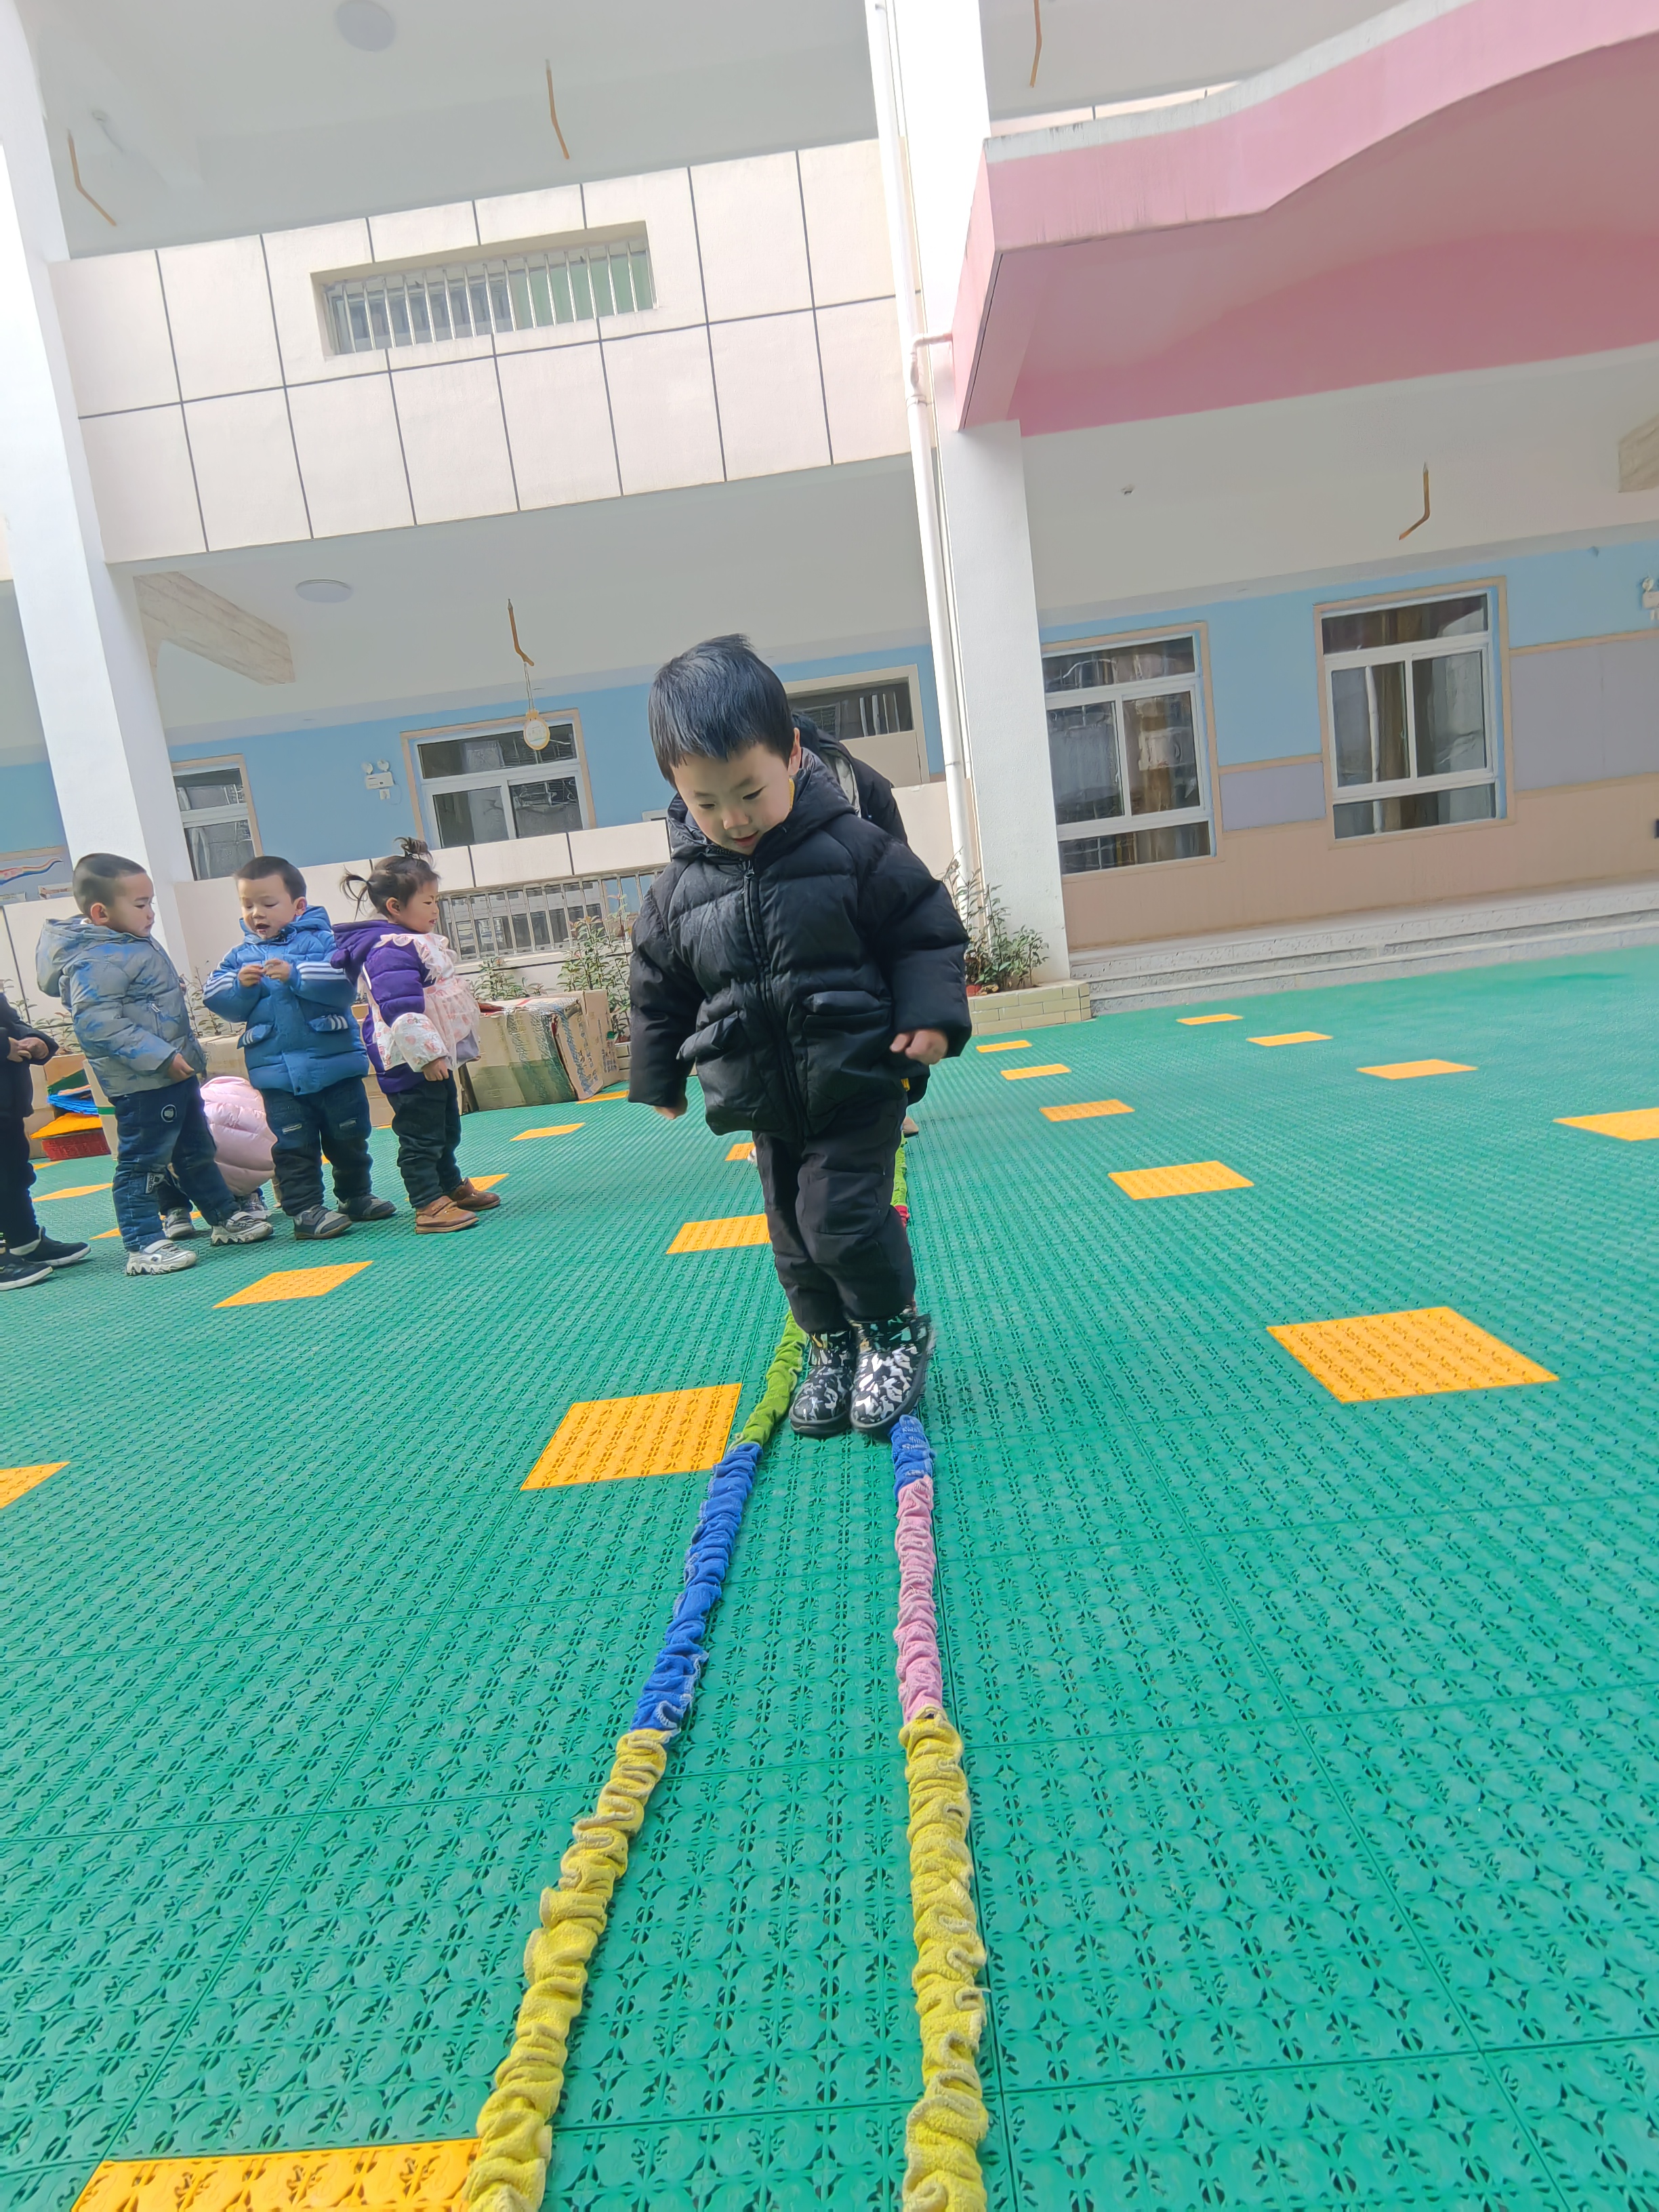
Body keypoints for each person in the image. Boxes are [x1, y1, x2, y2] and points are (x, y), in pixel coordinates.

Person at [629, 635, 969, 1437]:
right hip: (763, 1097)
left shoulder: (854, 848)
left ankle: (891, 1332)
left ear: (790, 754)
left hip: (855, 1077)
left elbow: (923, 931)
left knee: (839, 1218)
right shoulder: (680, 890)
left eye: (751, 791)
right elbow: (657, 986)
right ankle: (831, 1347)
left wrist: (928, 1016)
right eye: (707, 803)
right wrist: (657, 1075)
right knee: (790, 1237)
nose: (734, 818)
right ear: (676, 788)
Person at [35, 856, 274, 1275]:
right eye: (141, 904)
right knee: (143, 1162)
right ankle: (143, 1243)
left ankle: (223, 1216)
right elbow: (97, 1023)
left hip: (173, 1075)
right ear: (101, 913)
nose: (150, 913)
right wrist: (161, 1056)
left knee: (196, 1150)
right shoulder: (96, 959)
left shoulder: (129, 942)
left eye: (151, 903)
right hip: (143, 1083)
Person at [203, 855, 394, 1240]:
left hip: (335, 1064)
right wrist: (240, 987)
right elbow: (217, 999)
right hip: (278, 1075)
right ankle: (305, 1210)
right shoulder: (239, 957)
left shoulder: (326, 943)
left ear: (299, 906)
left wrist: (297, 974)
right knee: (292, 1144)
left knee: (349, 1135)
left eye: (268, 903)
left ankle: (356, 1195)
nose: (256, 913)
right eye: (247, 905)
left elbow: (345, 985)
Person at [331, 840, 499, 1233]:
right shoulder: (390, 949)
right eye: (428, 902)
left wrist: (467, 1011)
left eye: (436, 900)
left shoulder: (412, 941)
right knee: (421, 1133)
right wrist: (428, 1056)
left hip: (430, 1056)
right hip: (410, 1061)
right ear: (395, 906)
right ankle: (427, 1203)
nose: (435, 909)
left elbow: (436, 993)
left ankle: (448, 1184)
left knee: (446, 1126)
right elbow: (402, 1009)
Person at [794, 709, 923, 1138]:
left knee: (880, 1005)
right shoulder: (765, 787)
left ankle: (897, 1105)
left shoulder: (866, 786)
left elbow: (897, 857)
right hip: (803, 913)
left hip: (867, 904)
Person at [0, 989, 91, 1290]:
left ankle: (24, 1242)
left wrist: (35, 1040)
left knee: (14, 1175)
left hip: (7, 1104)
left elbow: (10, 1021)